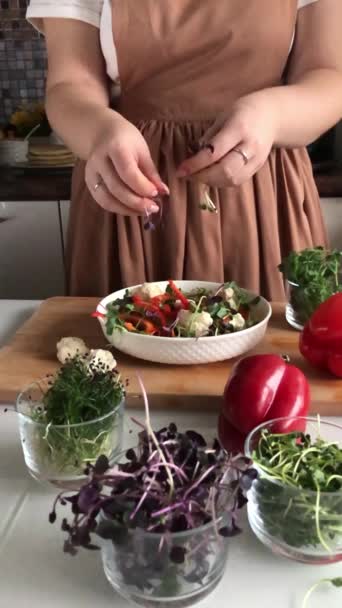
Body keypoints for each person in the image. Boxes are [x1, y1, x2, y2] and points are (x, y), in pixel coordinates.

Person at [27, 0, 342, 299]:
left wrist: (270, 115)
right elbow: (69, 84)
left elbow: (329, 76)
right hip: (130, 189)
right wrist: (98, 131)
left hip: (265, 194)